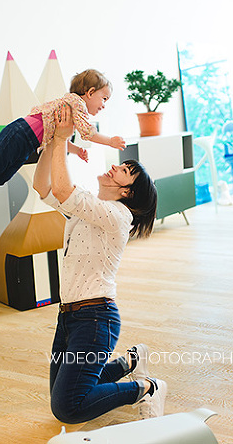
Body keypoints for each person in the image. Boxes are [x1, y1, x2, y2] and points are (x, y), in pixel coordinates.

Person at [32, 103, 165, 423]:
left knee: (68, 407)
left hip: (95, 320)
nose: (115, 168)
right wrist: (51, 142)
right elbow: (43, 188)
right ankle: (127, 363)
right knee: (61, 396)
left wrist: (64, 138)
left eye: (125, 171)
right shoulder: (91, 209)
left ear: (127, 192)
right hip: (69, 318)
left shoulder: (117, 216)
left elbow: (63, 190)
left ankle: (145, 388)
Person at [0, 69, 126, 222]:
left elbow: (58, 136)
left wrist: (76, 150)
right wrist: (110, 141)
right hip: (22, 133)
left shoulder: (70, 109)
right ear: (90, 92)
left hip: (27, 140)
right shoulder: (77, 103)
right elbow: (88, 132)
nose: (104, 105)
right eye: (104, 99)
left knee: (1, 176)